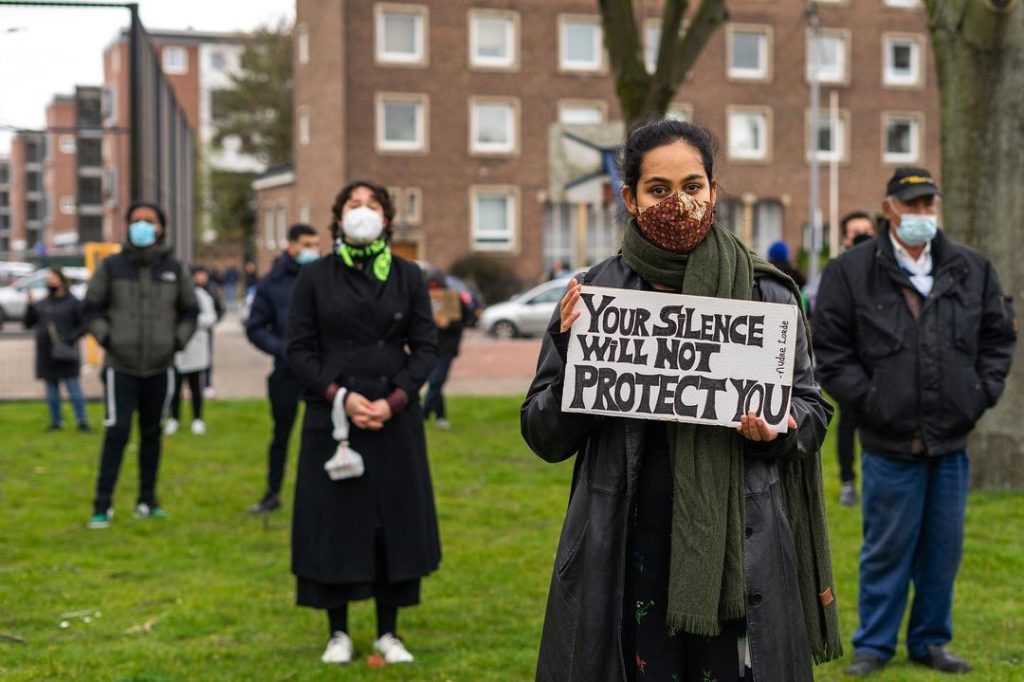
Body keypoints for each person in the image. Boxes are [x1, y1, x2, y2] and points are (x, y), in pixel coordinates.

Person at [521, 120, 841, 682]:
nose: (679, 203)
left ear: (714, 192)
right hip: (627, 542)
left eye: (693, 187)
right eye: (660, 190)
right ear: (630, 198)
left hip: (739, 551)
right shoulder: (595, 297)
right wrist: (580, 360)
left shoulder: (765, 292)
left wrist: (781, 427)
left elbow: (813, 413)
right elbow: (543, 435)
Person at [813, 167, 1016, 676]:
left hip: (950, 441)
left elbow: (998, 338)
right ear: (890, 209)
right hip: (888, 442)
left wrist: (978, 394)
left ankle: (930, 641)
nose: (923, 214)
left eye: (930, 204)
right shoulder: (852, 271)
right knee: (886, 550)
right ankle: (874, 646)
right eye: (914, 204)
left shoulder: (971, 268)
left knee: (942, 552)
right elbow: (831, 352)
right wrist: (872, 401)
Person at [286, 181, 440, 665]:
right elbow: (298, 350)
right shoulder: (314, 278)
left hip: (393, 420)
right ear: (338, 217)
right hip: (332, 418)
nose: (363, 212)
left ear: (388, 219)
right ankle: (338, 632)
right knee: (334, 521)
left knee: (389, 522)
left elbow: (427, 348)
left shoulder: (408, 275)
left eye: (372, 205)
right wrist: (341, 397)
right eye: (354, 204)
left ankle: (388, 632)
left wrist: (394, 400)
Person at [83, 201, 197, 529]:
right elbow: (91, 309)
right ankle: (102, 505)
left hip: (161, 366)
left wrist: (176, 341)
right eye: (136, 221)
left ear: (161, 227)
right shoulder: (112, 267)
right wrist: (109, 339)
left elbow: (190, 310)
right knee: (116, 433)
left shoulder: (174, 269)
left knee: (152, 434)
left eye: (149, 221)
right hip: (121, 366)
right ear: (127, 226)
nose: (143, 226)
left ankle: (147, 500)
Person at [245, 223, 321, 513]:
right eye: (306, 244)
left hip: (321, 371)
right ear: (291, 246)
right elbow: (255, 327)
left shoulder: (326, 277)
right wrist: (283, 349)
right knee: (282, 434)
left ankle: (322, 496)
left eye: (316, 244)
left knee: (323, 434)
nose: (312, 250)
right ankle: (273, 492)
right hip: (287, 370)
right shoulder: (272, 283)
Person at [832, 211, 878, 507]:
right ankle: (848, 481)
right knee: (848, 424)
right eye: (855, 233)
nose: (861, 238)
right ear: (845, 239)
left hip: (883, 365)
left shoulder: (887, 269)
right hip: (851, 365)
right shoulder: (839, 272)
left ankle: (877, 484)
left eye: (866, 232)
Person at [24, 267, 90, 432]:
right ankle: (56, 421)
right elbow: (29, 323)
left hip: (66, 353)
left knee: (73, 387)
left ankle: (82, 421)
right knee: (51, 389)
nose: (50, 283)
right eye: (48, 280)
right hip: (46, 353)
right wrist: (30, 305)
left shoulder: (73, 303)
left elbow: (84, 325)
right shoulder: (42, 303)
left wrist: (69, 338)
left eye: (53, 279)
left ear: (62, 281)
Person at [164, 267, 218, 437]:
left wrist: (191, 322)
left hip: (195, 348)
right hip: (175, 350)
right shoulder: (170, 295)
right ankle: (174, 419)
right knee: (175, 387)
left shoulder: (200, 295)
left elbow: (211, 317)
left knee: (196, 387)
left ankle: (197, 419)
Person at [422, 273, 471, 430]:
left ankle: (422, 414)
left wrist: (448, 324)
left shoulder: (454, 299)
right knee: (435, 383)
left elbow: (466, 319)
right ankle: (441, 417)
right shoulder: (423, 300)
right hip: (429, 347)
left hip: (447, 348)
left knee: (436, 381)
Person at [192, 266, 224, 399]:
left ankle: (207, 385)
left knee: (206, 357)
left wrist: (213, 321)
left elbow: (220, 308)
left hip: (206, 330)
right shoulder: (189, 289)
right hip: (191, 330)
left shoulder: (212, 289)